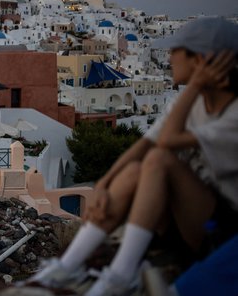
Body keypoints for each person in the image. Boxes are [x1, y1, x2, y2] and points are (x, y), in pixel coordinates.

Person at [27, 17, 238, 295]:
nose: (169, 57)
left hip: (222, 231)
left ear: (203, 60)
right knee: (136, 169)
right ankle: (68, 265)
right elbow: (142, 146)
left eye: (177, 50)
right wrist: (103, 186)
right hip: (182, 219)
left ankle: (121, 274)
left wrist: (196, 85)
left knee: (159, 160)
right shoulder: (188, 103)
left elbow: (164, 143)